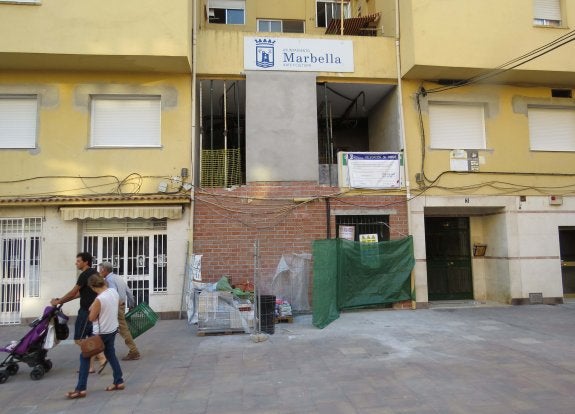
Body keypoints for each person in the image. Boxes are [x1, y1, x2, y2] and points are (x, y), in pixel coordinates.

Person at [66, 274, 125, 399]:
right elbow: (119, 304)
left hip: (100, 333)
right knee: (110, 354)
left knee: (84, 357)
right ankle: (119, 381)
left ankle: (80, 389)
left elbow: (91, 317)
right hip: (112, 329)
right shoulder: (113, 292)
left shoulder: (100, 299)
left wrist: (94, 307)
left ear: (93, 287)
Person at [50, 252, 106, 373]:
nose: (76, 263)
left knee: (79, 339)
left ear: (86, 262)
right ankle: (90, 367)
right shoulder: (94, 273)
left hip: (86, 311)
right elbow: (80, 293)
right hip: (96, 310)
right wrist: (62, 300)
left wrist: (58, 302)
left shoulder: (84, 275)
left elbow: (73, 292)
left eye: (78, 261)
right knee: (90, 337)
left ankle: (101, 357)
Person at [98, 261, 141, 361]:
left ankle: (134, 351)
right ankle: (100, 351)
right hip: (121, 306)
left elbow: (113, 295)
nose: (99, 272)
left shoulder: (110, 280)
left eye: (100, 270)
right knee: (108, 328)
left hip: (116, 307)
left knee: (123, 329)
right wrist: (131, 304)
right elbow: (129, 292)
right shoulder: (118, 278)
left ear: (104, 270)